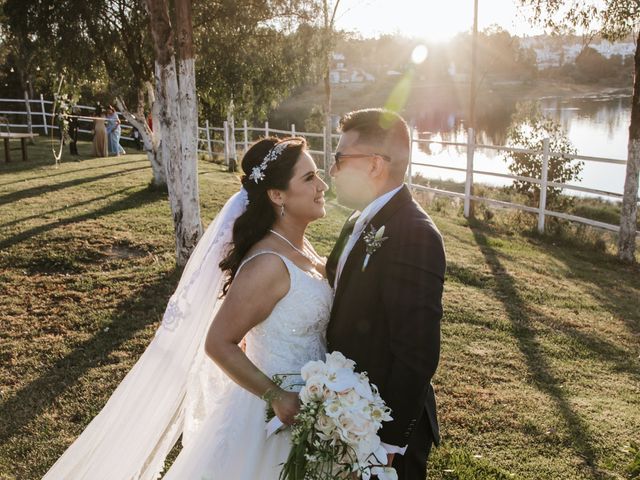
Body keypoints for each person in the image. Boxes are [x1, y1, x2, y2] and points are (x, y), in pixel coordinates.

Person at [42, 137, 332, 480]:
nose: (322, 185)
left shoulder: (302, 247)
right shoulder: (268, 264)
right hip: (275, 418)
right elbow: (218, 343)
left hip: (317, 406)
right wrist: (276, 396)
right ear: (277, 195)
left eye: (318, 176)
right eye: (309, 178)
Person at [326, 108, 446, 480]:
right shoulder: (356, 219)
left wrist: (389, 445)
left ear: (375, 165)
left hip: (385, 434)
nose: (332, 170)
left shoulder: (415, 234)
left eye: (340, 159)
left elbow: (417, 353)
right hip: (349, 413)